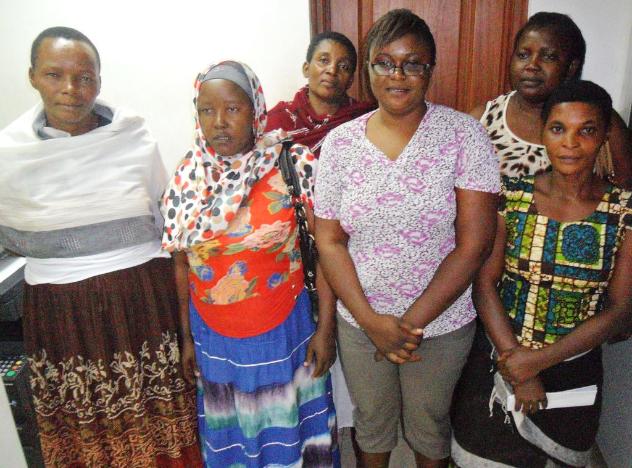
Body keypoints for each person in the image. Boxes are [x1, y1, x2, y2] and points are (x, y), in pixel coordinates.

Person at [0, 27, 200, 466]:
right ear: (32, 77)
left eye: (85, 77)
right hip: (61, 315)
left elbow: (163, 220)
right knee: (88, 428)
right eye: (54, 74)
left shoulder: (132, 137)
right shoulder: (9, 155)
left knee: (161, 421)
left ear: (99, 81)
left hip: (143, 303)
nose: (71, 89)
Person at [314, 9, 500, 468]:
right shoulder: (340, 144)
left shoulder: (464, 136)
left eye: (412, 63)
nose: (397, 75)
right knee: (371, 425)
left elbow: (474, 244)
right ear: (368, 69)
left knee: (429, 427)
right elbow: (330, 241)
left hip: (440, 324)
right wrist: (372, 323)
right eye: (384, 62)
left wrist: (408, 326)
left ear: (430, 70)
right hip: (361, 321)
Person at [160, 61, 339, 467]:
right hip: (215, 339)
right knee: (235, 435)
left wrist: (326, 329)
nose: (219, 122)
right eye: (207, 110)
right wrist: (186, 338)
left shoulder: (292, 163)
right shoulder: (187, 177)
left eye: (232, 109)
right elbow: (181, 266)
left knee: (289, 431)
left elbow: (326, 251)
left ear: (255, 110)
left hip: (285, 332)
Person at [451, 80, 632, 467]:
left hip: (574, 366)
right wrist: (517, 363)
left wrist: (538, 361)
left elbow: (620, 310)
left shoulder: (623, 211)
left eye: (586, 130)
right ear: (543, 133)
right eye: (558, 128)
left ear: (603, 137)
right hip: (501, 354)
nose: (570, 143)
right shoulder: (511, 195)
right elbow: (484, 285)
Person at [471, 12, 632, 188]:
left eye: (548, 56)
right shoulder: (481, 120)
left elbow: (625, 191)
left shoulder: (599, 119)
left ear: (571, 67)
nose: (532, 65)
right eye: (523, 55)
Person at [265, 31, 374, 157]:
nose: (332, 70)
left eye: (343, 66)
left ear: (350, 81)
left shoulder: (363, 122)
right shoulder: (277, 120)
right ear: (306, 69)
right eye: (324, 60)